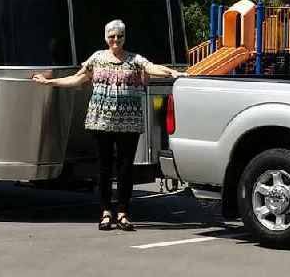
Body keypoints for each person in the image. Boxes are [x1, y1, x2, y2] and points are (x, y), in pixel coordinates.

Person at [32, 19, 181, 230]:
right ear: (106, 38)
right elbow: (77, 79)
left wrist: (171, 72)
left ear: (124, 37)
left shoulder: (134, 59)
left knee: (125, 169)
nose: (116, 40)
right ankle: (104, 211)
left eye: (120, 36)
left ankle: (123, 212)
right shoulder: (97, 58)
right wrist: (50, 82)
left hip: (128, 123)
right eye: (112, 36)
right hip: (101, 120)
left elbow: (152, 67)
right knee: (104, 169)